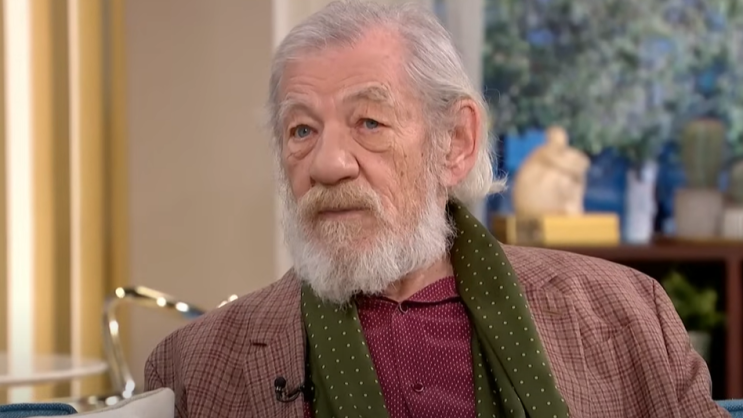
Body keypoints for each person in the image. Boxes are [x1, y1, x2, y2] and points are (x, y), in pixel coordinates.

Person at [144, 1, 729, 417]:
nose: (327, 164)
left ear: (455, 142)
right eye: (302, 130)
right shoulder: (195, 370)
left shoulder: (627, 316)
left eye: (369, 122)